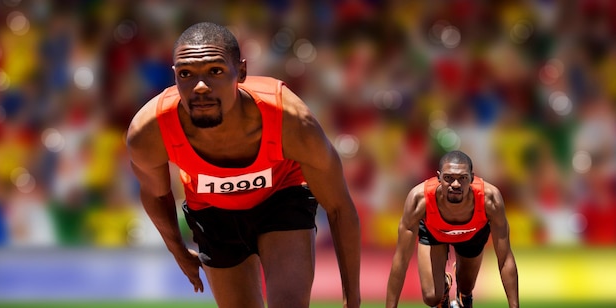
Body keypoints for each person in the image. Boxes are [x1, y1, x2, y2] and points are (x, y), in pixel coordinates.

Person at [125, 22, 361, 307]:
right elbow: (156, 193)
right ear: (174, 77)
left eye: (215, 71)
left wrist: (353, 299)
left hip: (281, 197)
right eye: (186, 74)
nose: (200, 86)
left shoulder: (291, 119)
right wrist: (177, 249)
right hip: (212, 212)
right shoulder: (149, 130)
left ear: (242, 72)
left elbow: (339, 207)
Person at [385, 150, 518, 308]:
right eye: (448, 178)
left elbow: (505, 258)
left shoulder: (490, 199)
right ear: (439, 177)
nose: (455, 184)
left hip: (473, 235)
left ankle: (462, 292)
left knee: (466, 286)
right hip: (434, 233)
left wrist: (514, 306)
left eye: (462, 178)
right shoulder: (419, 199)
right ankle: (443, 288)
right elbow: (401, 259)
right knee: (431, 297)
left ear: (472, 178)